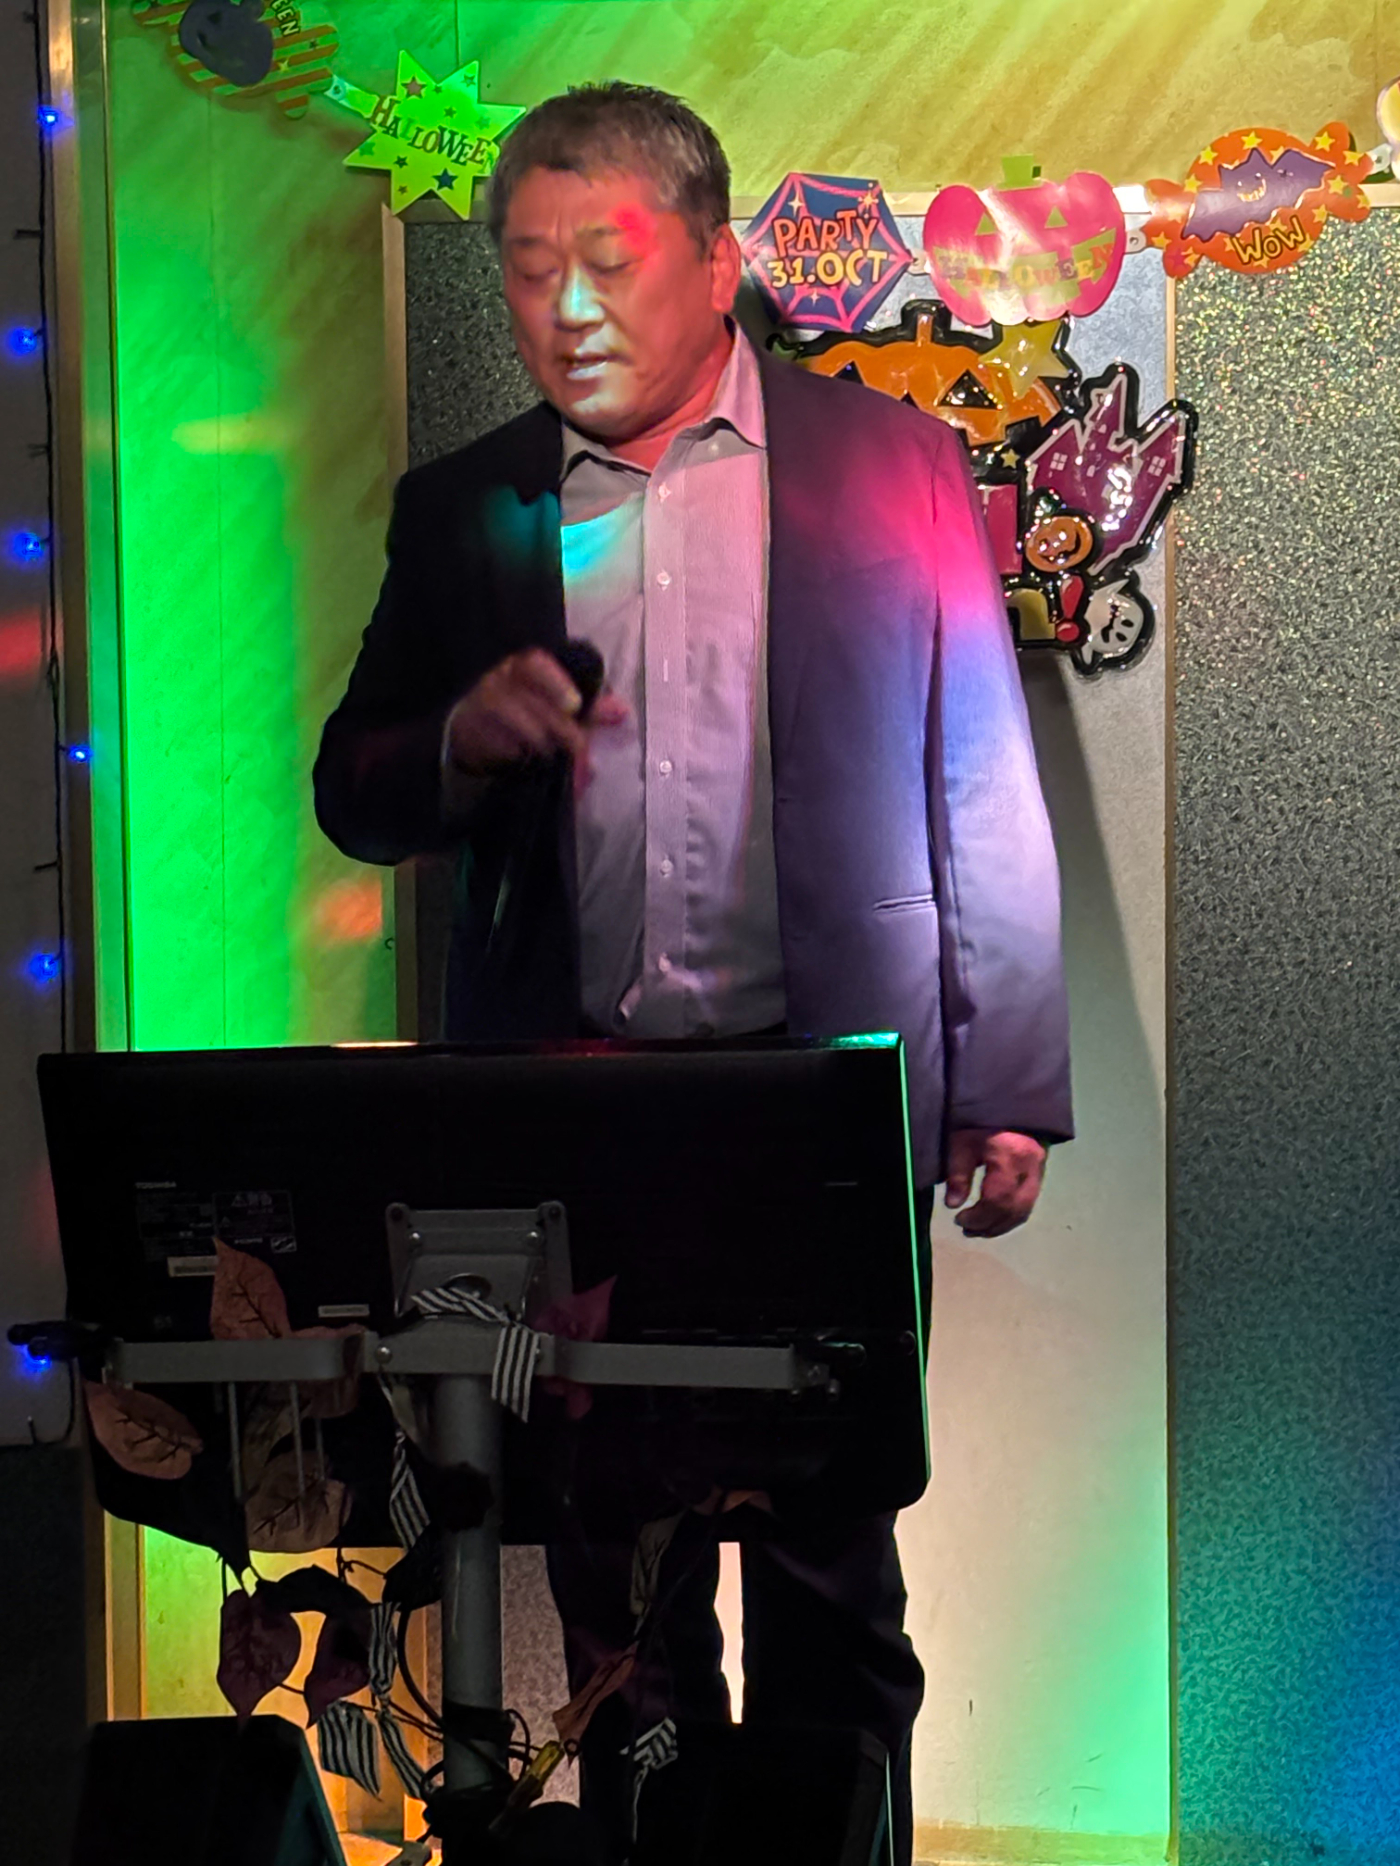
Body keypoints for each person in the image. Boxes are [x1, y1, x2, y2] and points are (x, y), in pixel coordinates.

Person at [315, 82, 1072, 1865]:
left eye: (607, 261)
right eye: (527, 269)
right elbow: (354, 787)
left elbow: (978, 776)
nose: (564, 307)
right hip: (573, 1126)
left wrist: (1007, 1085)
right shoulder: (466, 506)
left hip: (819, 1110)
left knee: (832, 1576)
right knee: (616, 1594)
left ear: (719, 264)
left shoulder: (891, 464)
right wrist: (457, 742)